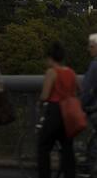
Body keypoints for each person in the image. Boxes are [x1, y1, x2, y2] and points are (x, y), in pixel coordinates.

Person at [38, 41, 79, 178]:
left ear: (50, 58)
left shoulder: (51, 72)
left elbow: (45, 95)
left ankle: (45, 175)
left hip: (55, 111)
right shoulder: (71, 72)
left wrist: (41, 102)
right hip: (69, 113)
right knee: (67, 148)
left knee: (43, 146)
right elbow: (78, 90)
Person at [80, 33, 97, 111]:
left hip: (94, 108)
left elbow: (87, 88)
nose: (89, 49)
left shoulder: (96, 65)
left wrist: (79, 105)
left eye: (92, 47)